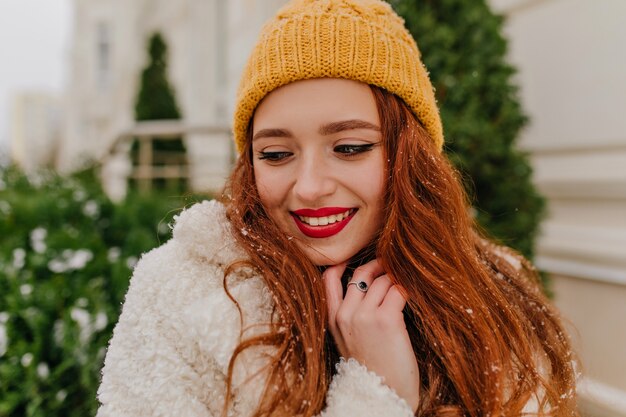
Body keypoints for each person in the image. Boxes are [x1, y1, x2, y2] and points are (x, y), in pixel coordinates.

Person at [96, 0, 579, 416]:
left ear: (406, 156)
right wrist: (377, 392)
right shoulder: (180, 292)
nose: (308, 187)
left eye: (349, 147)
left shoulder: (494, 296)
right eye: (276, 154)